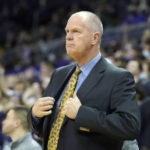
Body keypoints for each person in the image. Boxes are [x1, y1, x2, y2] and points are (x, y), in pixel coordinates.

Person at [28, 11, 141, 150]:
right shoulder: (59, 74)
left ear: (94, 38)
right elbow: (45, 130)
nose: (68, 37)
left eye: (76, 31)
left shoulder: (118, 77)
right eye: (67, 31)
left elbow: (130, 126)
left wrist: (81, 113)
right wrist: (35, 114)